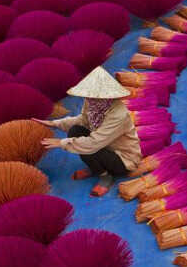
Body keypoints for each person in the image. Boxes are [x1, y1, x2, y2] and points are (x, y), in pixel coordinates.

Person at [35, 67, 141, 197]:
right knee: (75, 131)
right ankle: (96, 169)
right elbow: (83, 120)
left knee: (86, 145)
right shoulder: (91, 102)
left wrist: (61, 143)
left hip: (122, 159)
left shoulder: (119, 115)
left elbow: (94, 143)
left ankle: (106, 176)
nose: (89, 100)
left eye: (94, 97)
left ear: (107, 96)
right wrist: (54, 124)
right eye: (88, 96)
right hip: (103, 146)